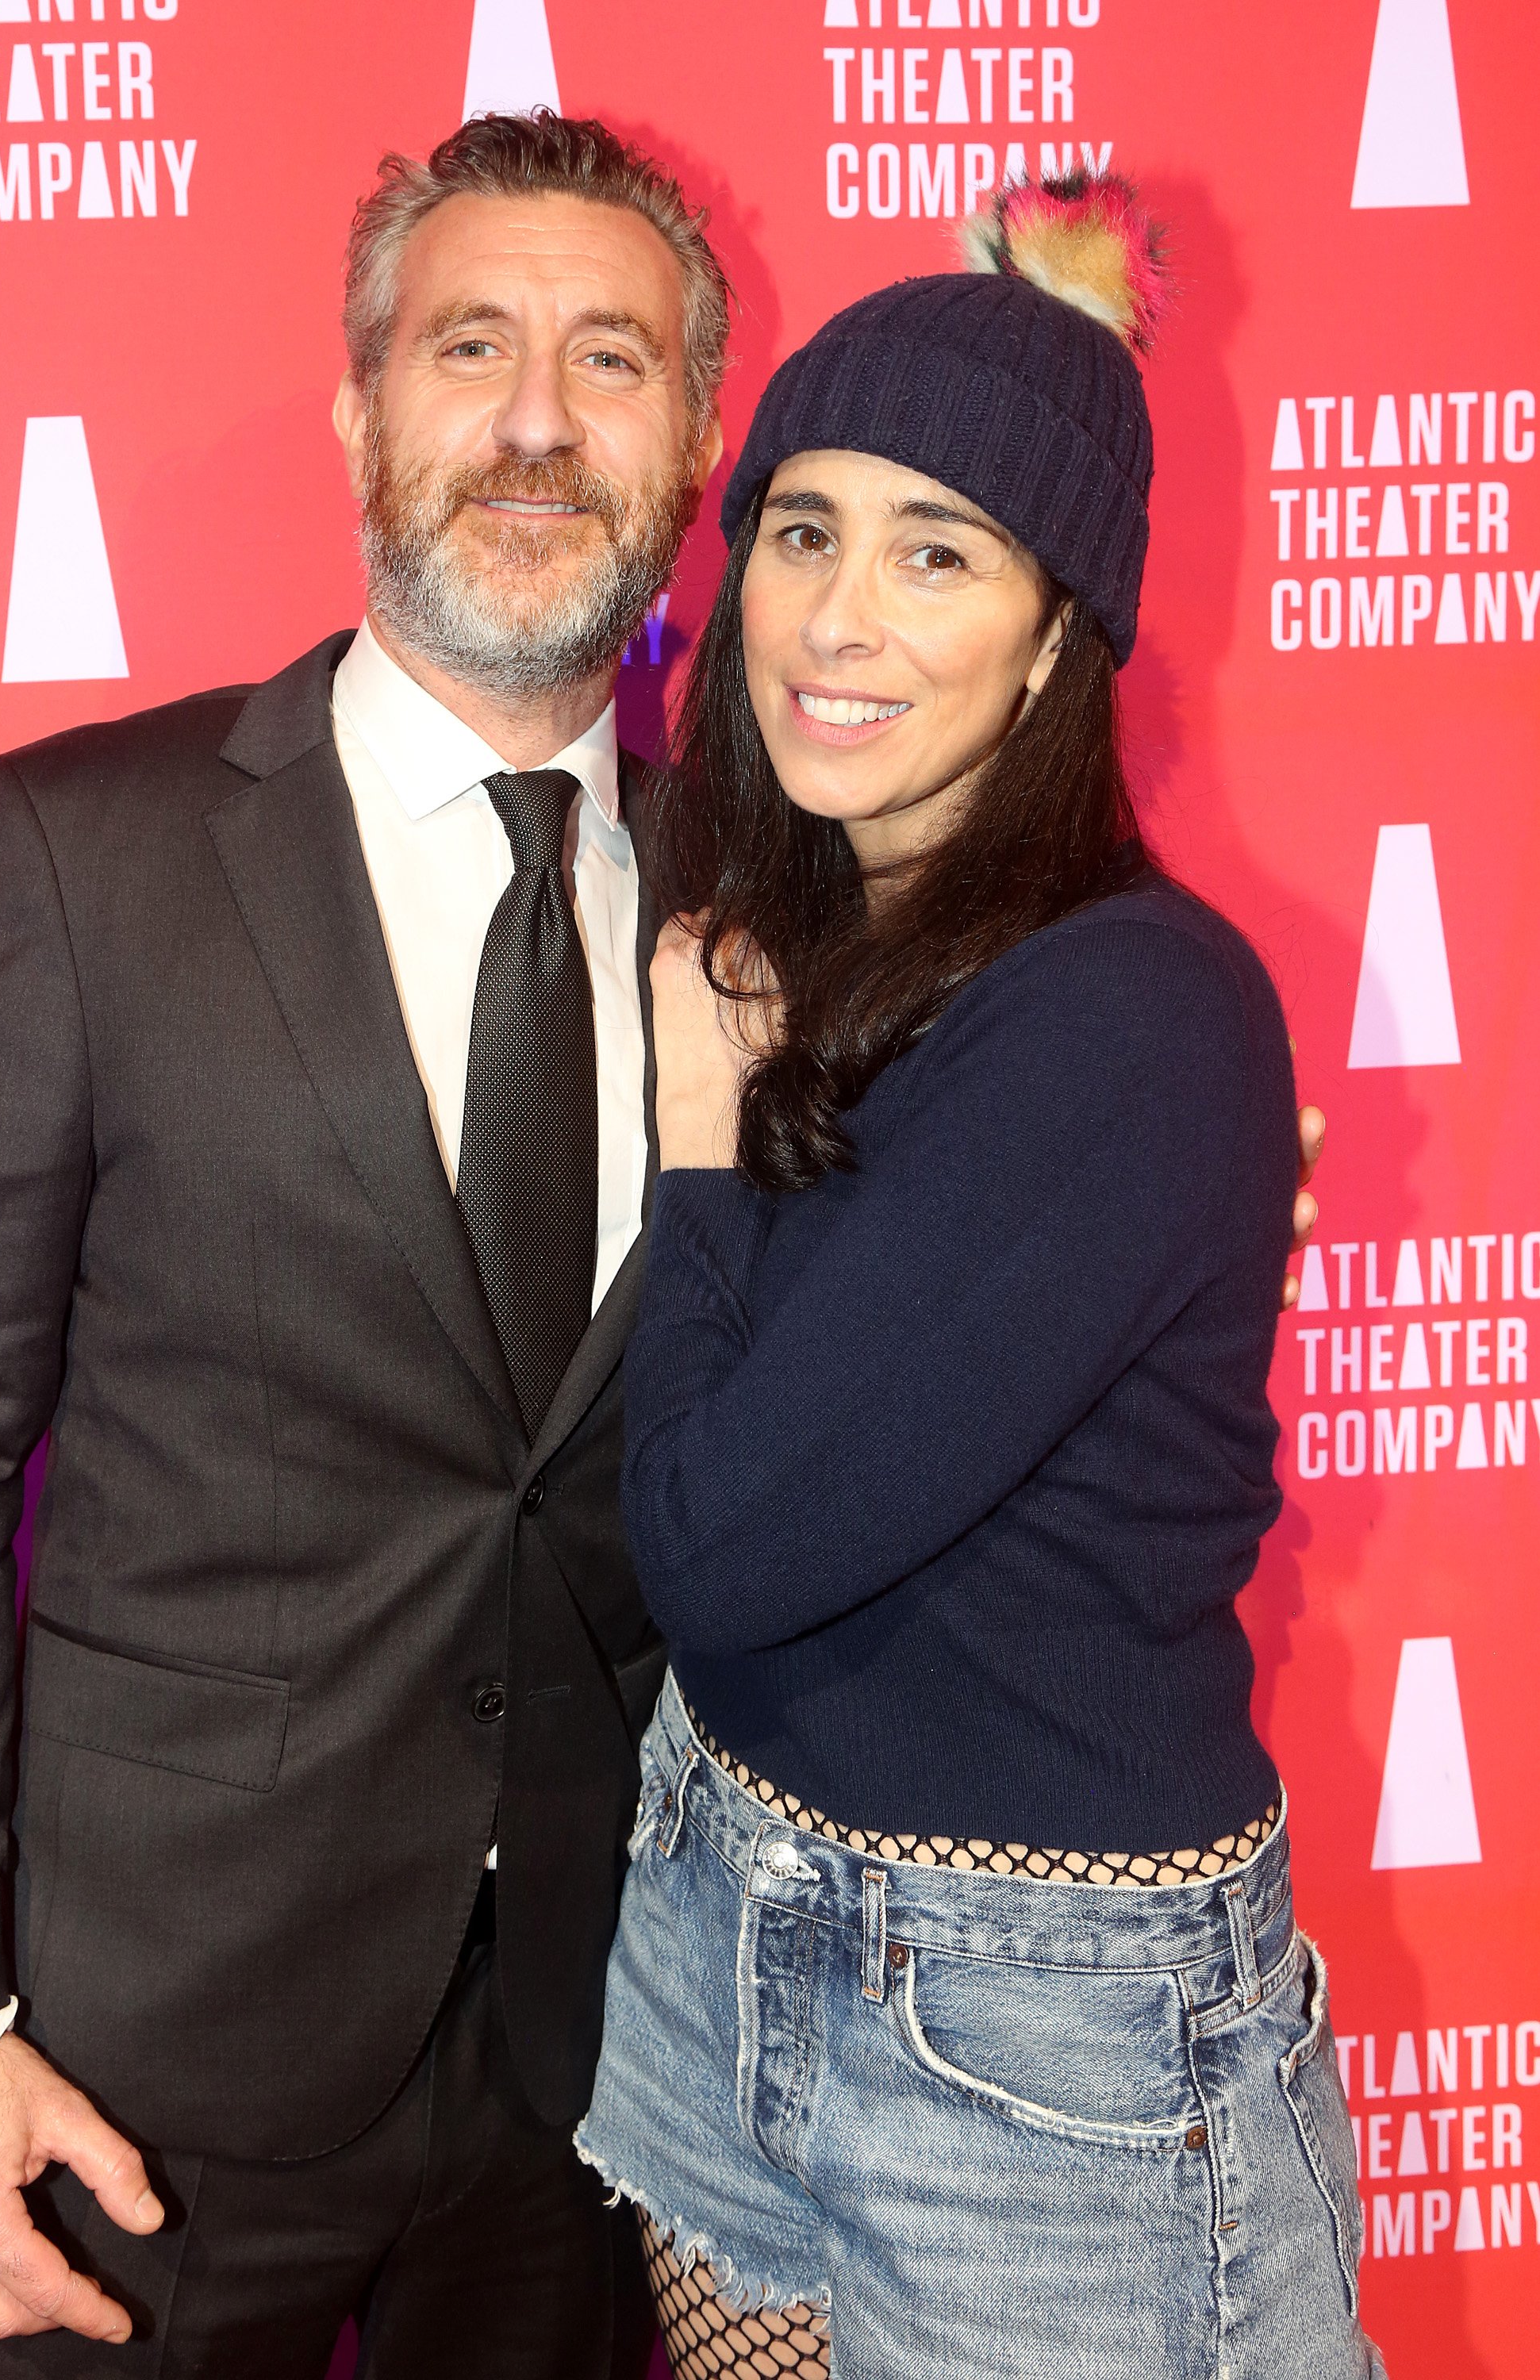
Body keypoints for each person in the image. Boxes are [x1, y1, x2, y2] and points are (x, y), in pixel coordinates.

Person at [0, 113, 729, 2378]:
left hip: (605, 2084)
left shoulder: (768, 910)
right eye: (468, 345)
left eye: (610, 361)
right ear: (358, 411)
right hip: (143, 2089)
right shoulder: (79, 858)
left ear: (692, 437)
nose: (532, 417)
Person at [575, 173, 1379, 2379]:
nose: (835, 617)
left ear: (1053, 635)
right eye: (804, 530)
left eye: (935, 553)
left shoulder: (1127, 1009)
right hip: (718, 1904)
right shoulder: (821, 938)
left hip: (1030, 2046)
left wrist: (696, 1139)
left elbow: (716, 1541)